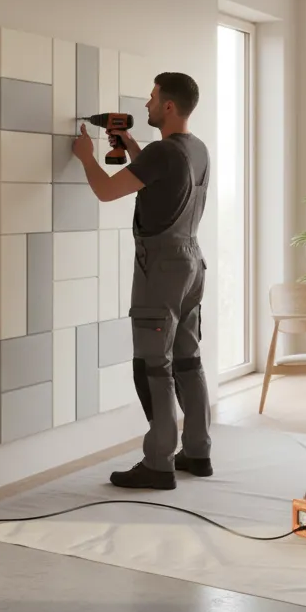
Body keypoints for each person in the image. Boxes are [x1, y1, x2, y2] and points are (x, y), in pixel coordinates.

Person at [71, 72, 211, 490]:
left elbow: (106, 191)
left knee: (154, 365)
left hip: (161, 269)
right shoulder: (196, 149)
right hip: (191, 263)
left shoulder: (162, 152)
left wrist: (85, 156)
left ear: (169, 106)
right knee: (187, 357)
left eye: (152, 99)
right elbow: (166, 185)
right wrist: (133, 148)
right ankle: (198, 451)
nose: (146, 105)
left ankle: (158, 463)